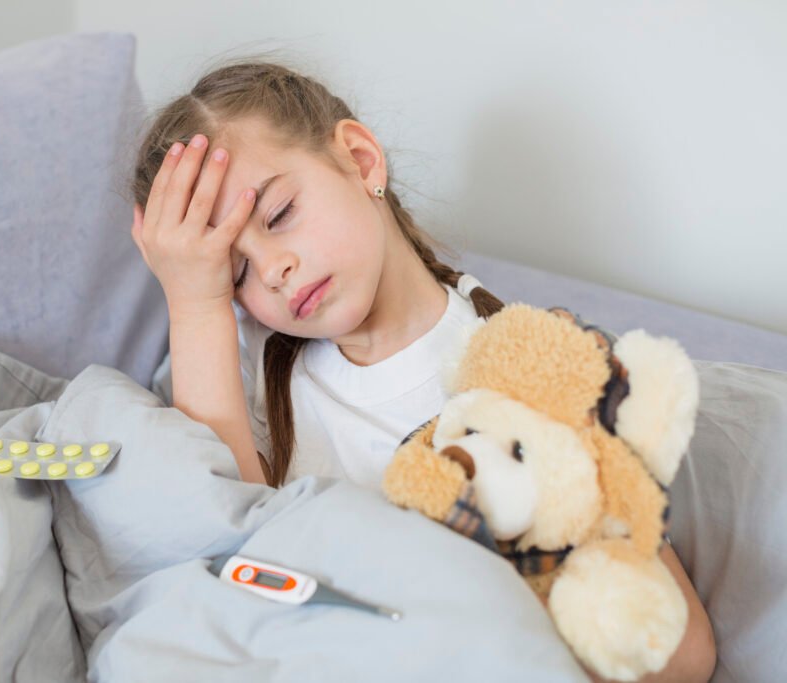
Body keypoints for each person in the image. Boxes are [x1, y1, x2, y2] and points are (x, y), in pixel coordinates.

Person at [128, 58, 715, 682]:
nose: (272, 269)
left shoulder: (523, 364)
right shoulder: (252, 382)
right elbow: (220, 539)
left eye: (278, 216)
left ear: (360, 160)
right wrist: (195, 302)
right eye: (236, 272)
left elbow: (680, 649)